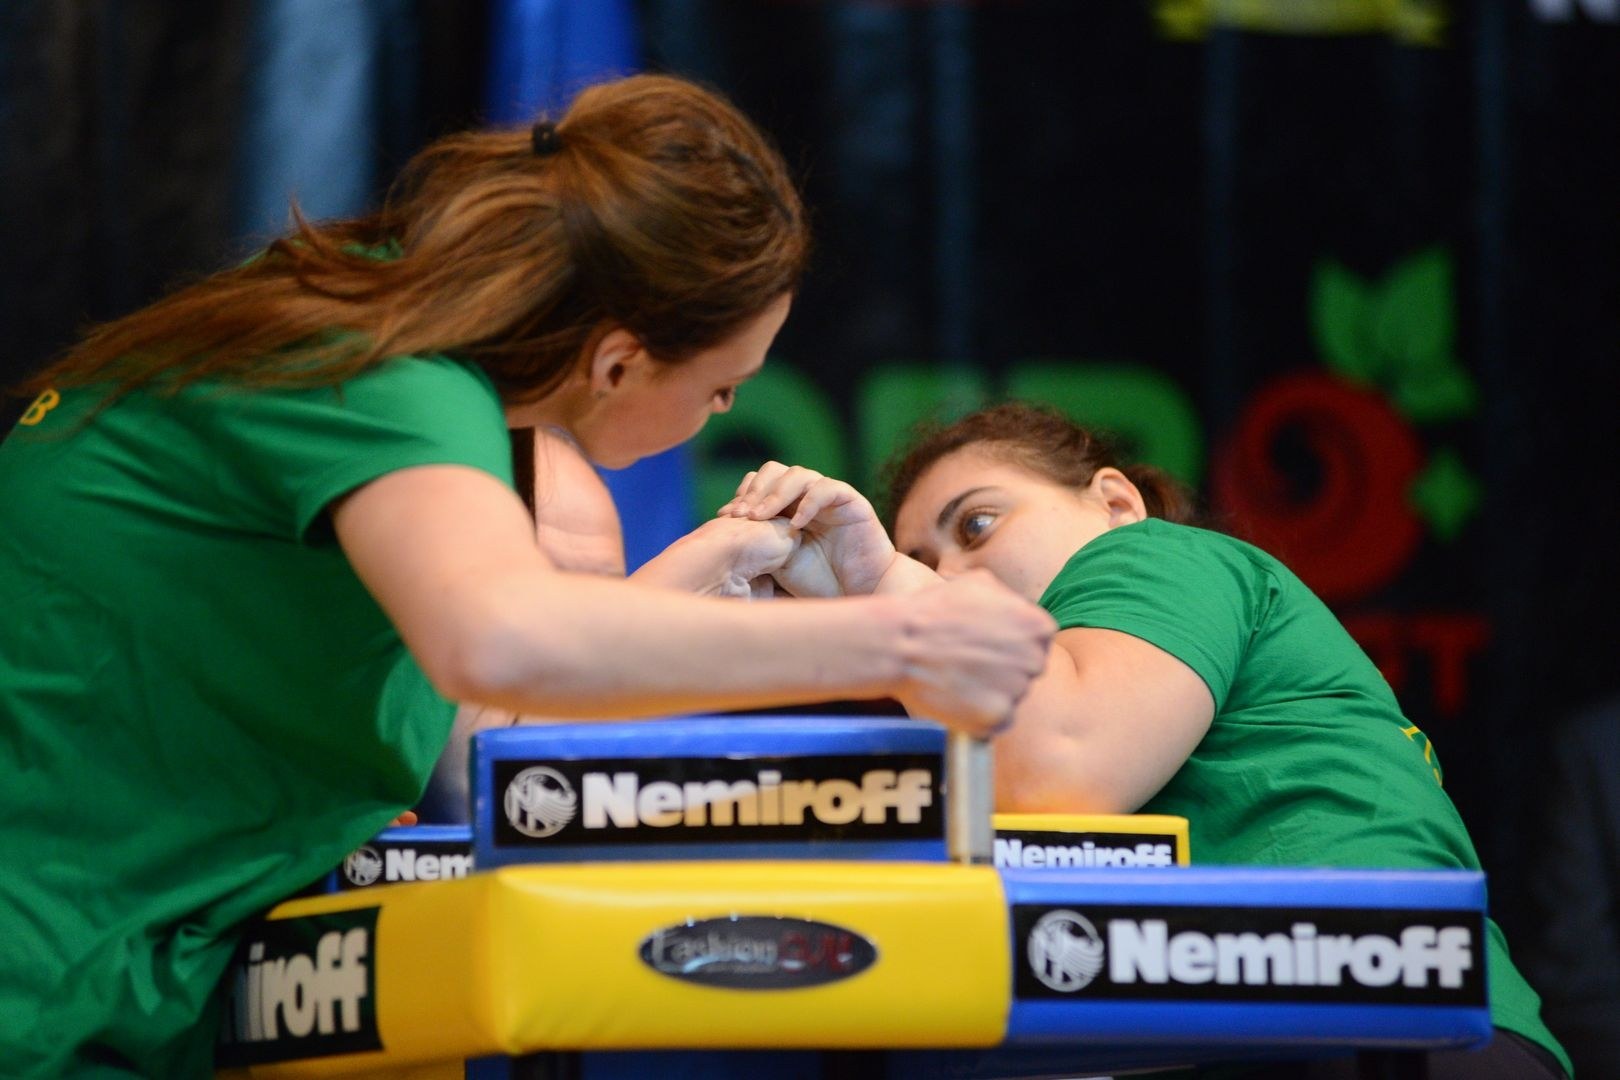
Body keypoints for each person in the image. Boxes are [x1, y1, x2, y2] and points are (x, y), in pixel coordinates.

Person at [0, 76, 1056, 1078]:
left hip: (105, 966)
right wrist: (902, 642)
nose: (724, 415)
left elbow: (487, 714)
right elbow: (501, 640)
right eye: (724, 387)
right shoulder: (387, 371)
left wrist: (700, 576)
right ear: (616, 362)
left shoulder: (367, 311)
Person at [720, 401, 1571, 1078]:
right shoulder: (974, 701)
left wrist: (881, 580)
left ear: (1115, 502)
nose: (950, 576)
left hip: (1392, 1036)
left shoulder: (1159, 555)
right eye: (923, 559)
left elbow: (1063, 775)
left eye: (977, 526)